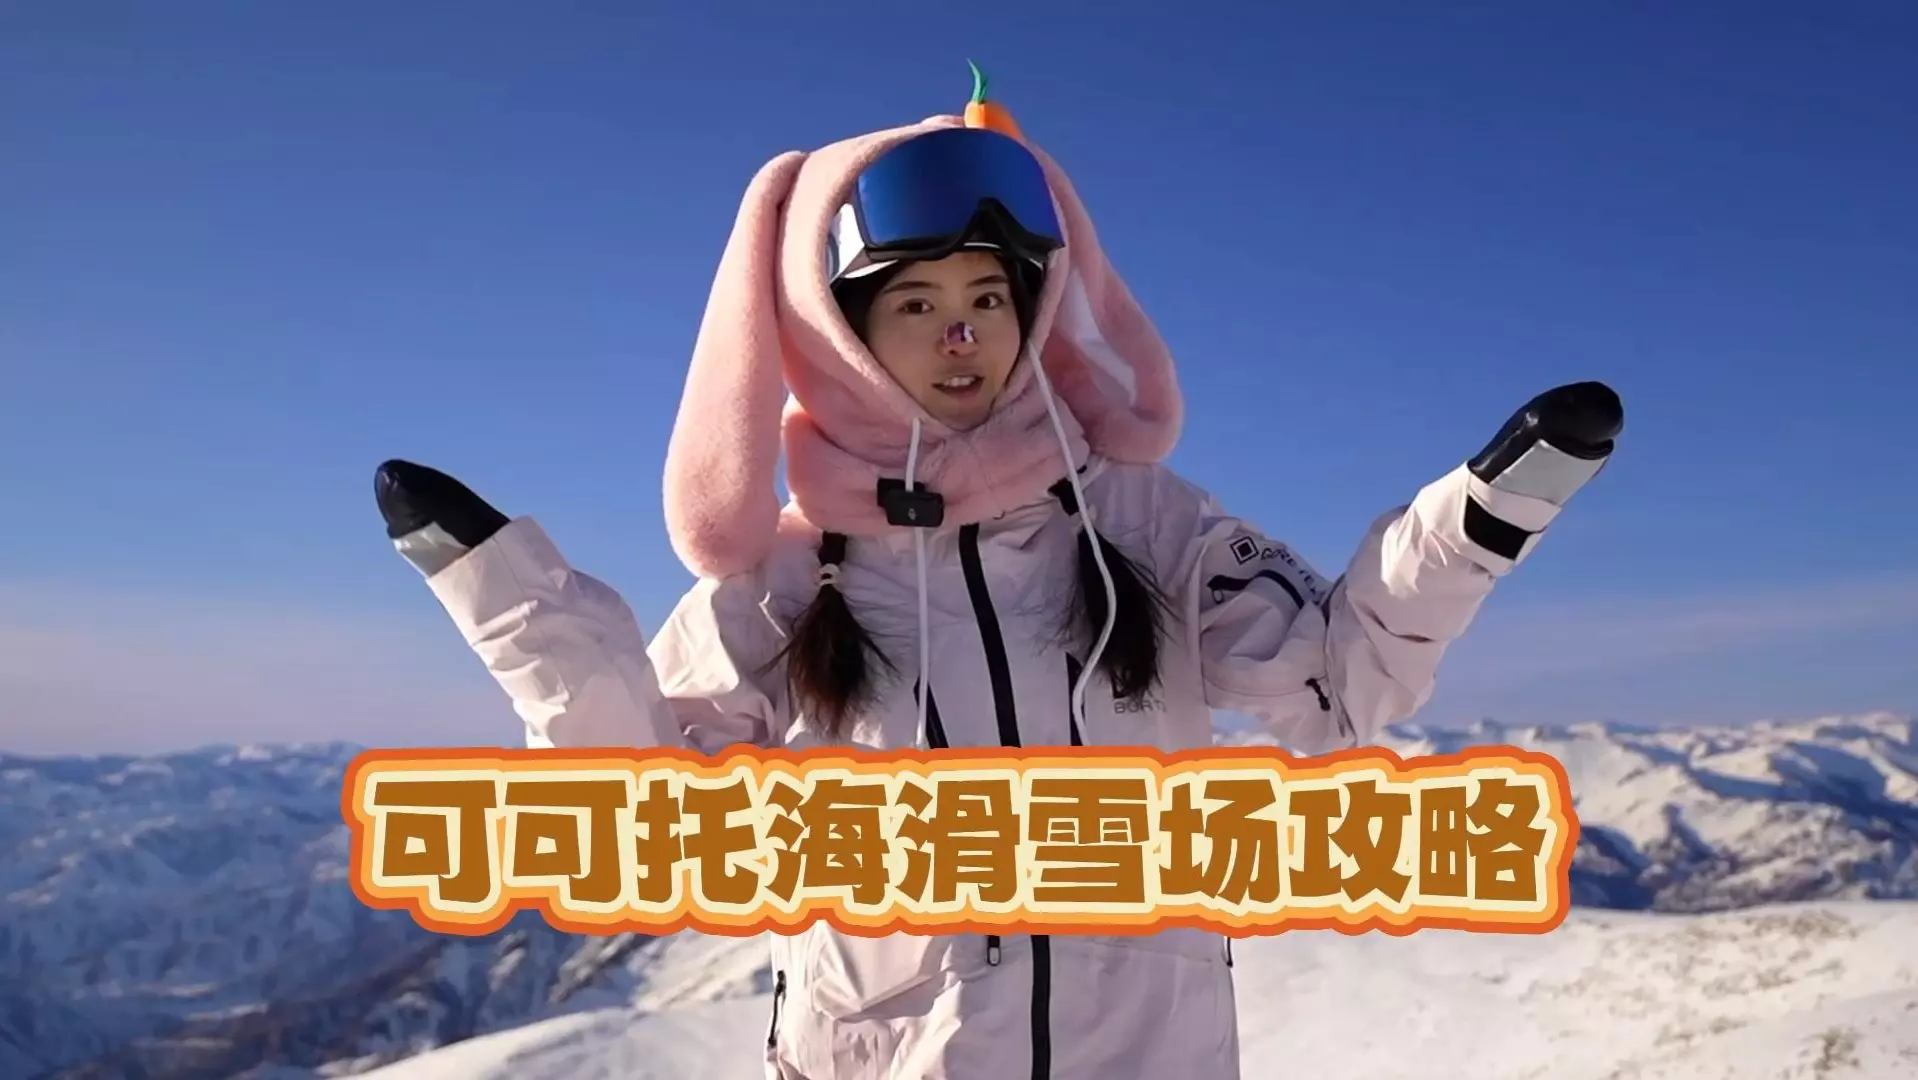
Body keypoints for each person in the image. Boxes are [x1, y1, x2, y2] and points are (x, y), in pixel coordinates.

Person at [370, 74, 1623, 1080]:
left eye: (988, 293)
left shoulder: (1142, 519)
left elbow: (1335, 686)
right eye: (914, 303)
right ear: (836, 332)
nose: (963, 332)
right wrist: (526, 617)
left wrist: (1472, 529)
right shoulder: (793, 573)